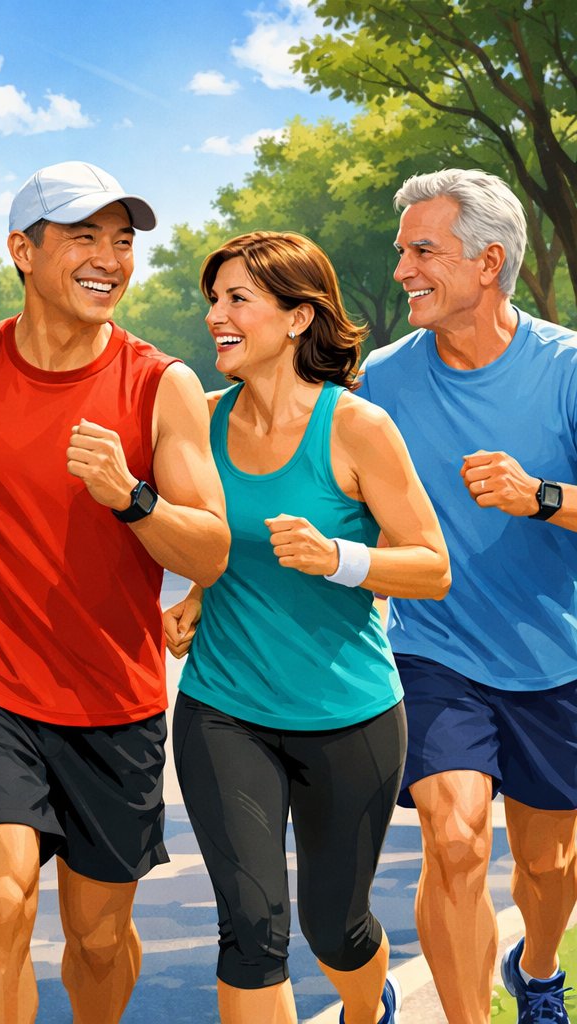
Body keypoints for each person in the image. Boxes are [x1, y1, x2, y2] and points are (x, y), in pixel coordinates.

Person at [0, 160, 229, 1024]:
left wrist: (131, 496)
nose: (110, 259)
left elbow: (211, 547)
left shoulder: (160, 384)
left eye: (123, 241)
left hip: (113, 697)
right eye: (85, 237)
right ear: (23, 250)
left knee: (100, 938)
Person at [163, 230, 450, 1024]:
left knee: (337, 927)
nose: (216, 316)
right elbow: (209, 543)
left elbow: (432, 567)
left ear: (297, 318)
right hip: (224, 710)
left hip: (349, 716)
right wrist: (199, 593)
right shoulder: (201, 424)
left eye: (238, 299)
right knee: (252, 930)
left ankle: (367, 1008)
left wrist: (339, 558)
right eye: (213, 299)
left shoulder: (357, 427)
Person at [355, 168, 577, 1024]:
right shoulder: (381, 381)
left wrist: (540, 496)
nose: (402, 269)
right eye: (402, 249)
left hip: (555, 656)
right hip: (433, 650)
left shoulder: (566, 368)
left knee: (549, 866)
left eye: (423, 250)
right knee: (453, 840)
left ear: (488, 262)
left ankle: (539, 972)